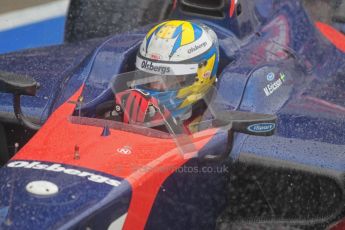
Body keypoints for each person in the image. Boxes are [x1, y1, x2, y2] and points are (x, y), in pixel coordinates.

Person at [113, 20, 220, 133]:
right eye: (150, 76)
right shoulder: (124, 109)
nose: (156, 86)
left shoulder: (210, 126)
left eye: (170, 78)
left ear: (202, 75)